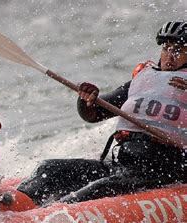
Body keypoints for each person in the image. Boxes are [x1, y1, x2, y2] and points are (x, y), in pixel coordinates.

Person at [18, 20, 186, 206]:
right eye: (167, 48)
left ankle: (47, 217)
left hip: (162, 171)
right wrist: (87, 101)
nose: (170, 55)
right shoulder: (145, 81)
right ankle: (15, 204)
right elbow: (95, 114)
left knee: (95, 190)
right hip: (123, 164)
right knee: (49, 169)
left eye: (179, 50)